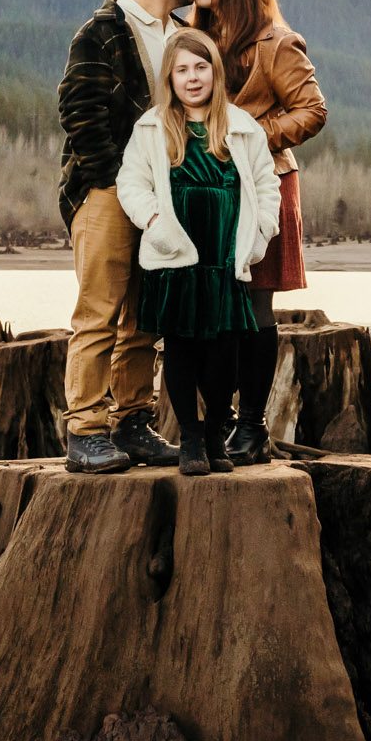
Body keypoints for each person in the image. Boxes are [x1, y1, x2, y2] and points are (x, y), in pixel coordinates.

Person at [57, 0, 198, 474]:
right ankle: (86, 431)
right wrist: (116, 182)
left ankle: (132, 422)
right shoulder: (101, 33)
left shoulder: (183, 35)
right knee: (98, 312)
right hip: (107, 194)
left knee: (144, 316)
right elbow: (79, 111)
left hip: (164, 198)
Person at [116, 27, 280, 475]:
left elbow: (267, 185)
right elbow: (131, 183)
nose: (192, 78)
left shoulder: (241, 128)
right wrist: (154, 221)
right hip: (177, 256)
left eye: (201, 68)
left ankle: (214, 435)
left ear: (215, 72)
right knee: (183, 347)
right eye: (182, 70)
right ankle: (189, 437)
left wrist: (262, 230)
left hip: (224, 257)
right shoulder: (152, 128)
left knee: (224, 352)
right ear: (169, 78)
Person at [190, 0, 325, 464]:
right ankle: (217, 425)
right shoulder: (195, 38)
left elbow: (313, 110)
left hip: (265, 185)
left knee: (254, 307)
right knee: (212, 309)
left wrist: (248, 133)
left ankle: (251, 429)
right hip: (205, 188)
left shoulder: (278, 43)